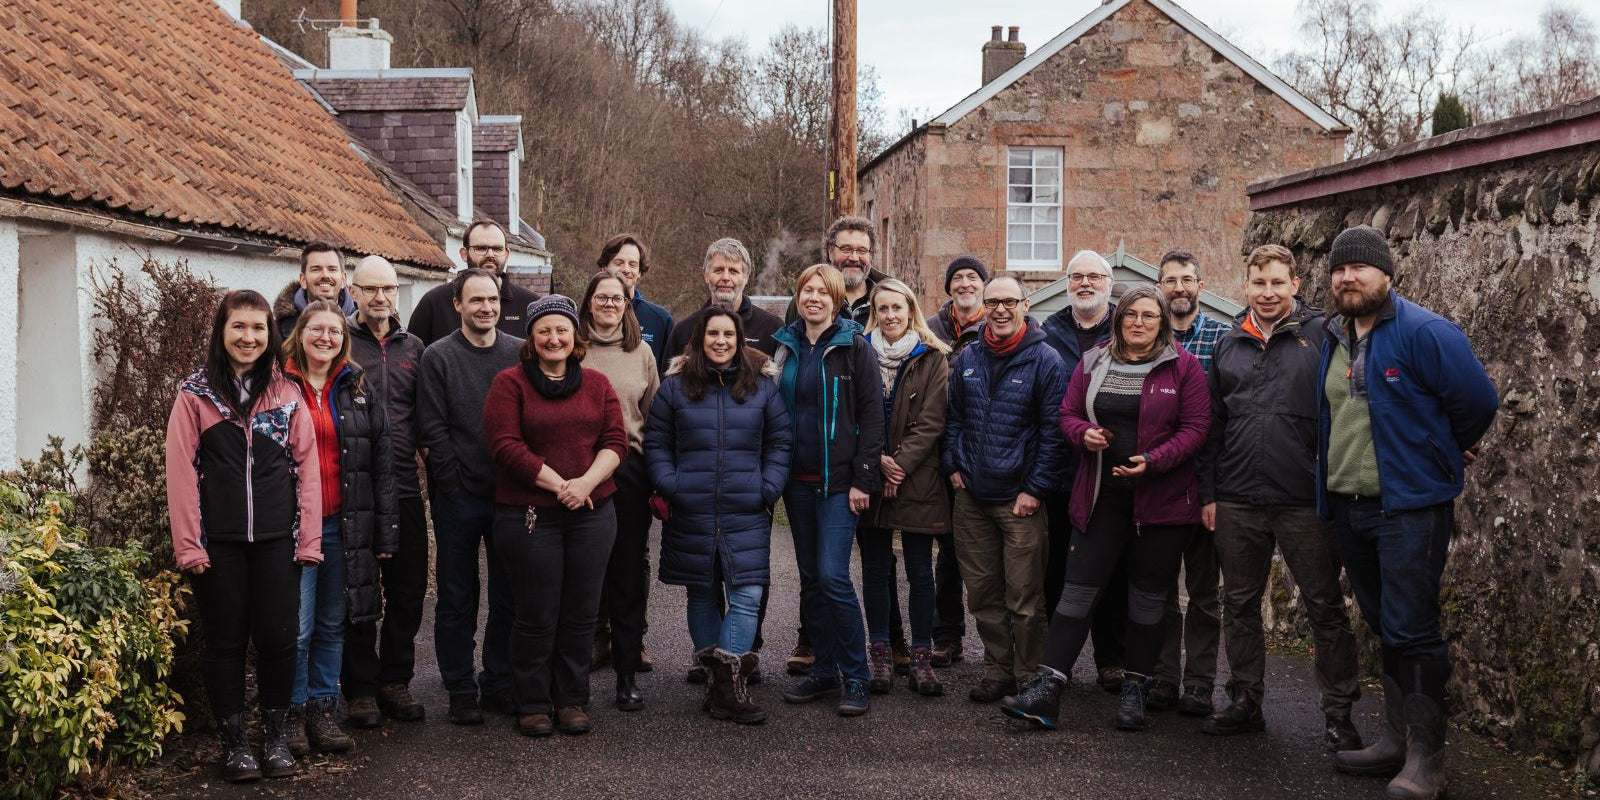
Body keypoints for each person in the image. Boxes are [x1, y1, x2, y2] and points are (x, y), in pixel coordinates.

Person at [1318, 227, 1498, 800]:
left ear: (1387, 274)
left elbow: (1478, 402)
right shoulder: (1333, 335)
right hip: (1349, 504)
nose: (1348, 278)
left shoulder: (1426, 331)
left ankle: (1427, 760)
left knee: (1413, 628)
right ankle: (1395, 741)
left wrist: (1439, 447)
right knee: (1381, 621)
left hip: (1410, 507)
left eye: (1360, 268)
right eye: (1339, 269)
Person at [1001, 285, 1209, 732]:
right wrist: (1084, 435)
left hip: (1162, 503)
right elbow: (1068, 414)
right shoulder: (1094, 361)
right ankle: (1047, 690)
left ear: (1162, 322)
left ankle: (1135, 691)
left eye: (1149, 316)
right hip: (1100, 497)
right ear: (1118, 319)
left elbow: (1196, 429)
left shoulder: (1184, 366)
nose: (1138, 322)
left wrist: (1153, 460)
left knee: (1147, 599)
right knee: (1076, 593)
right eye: (1131, 314)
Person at [1198, 245, 1363, 750]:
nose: (1267, 293)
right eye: (1258, 283)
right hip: (1238, 497)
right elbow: (1214, 426)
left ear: (1295, 284)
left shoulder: (1325, 335)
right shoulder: (1229, 344)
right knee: (1239, 603)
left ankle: (1339, 714)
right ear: (1245, 286)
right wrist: (1209, 494)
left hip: (1304, 498)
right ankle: (1245, 700)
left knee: (1324, 606)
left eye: (1276, 283)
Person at [166, 290, 321, 782]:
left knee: (279, 641)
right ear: (222, 331)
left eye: (258, 328)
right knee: (226, 642)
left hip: (278, 542)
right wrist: (190, 545)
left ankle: (274, 739)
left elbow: (307, 471)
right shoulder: (195, 395)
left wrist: (308, 541)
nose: (248, 337)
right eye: (239, 326)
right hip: (218, 545)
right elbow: (180, 472)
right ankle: (234, 745)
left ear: (270, 335)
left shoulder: (287, 394)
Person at [483, 295, 628, 737]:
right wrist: (561, 485)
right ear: (531, 338)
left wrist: (585, 484)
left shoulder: (597, 384)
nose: (553, 338)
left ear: (574, 335)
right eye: (544, 330)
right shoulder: (510, 384)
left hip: (592, 513)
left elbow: (615, 442)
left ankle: (571, 699)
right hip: (530, 515)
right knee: (536, 612)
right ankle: (531, 702)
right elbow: (505, 446)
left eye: (561, 329)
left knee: (581, 612)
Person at [646, 309, 792, 724]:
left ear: (739, 340)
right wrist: (670, 483)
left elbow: (780, 441)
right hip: (691, 506)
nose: (721, 341)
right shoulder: (674, 388)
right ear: (700, 338)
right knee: (701, 591)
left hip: (746, 507)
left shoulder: (762, 387)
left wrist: (768, 487)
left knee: (747, 593)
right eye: (713, 333)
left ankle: (726, 687)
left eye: (729, 334)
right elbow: (656, 442)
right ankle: (721, 685)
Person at [942, 273, 1069, 704]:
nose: (1000, 310)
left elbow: (1054, 433)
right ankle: (997, 670)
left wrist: (1035, 488)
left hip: (1020, 500)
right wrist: (953, 466)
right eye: (993, 301)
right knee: (982, 594)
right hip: (971, 498)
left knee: (1025, 598)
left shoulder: (1046, 360)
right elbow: (954, 418)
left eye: (1009, 302)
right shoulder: (969, 356)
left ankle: (1030, 676)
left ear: (1025, 306)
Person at [281, 301, 398, 755]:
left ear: (343, 339)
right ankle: (291, 715)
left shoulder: (357, 386)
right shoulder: (279, 385)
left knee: (333, 624)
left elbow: (382, 463)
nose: (325, 338)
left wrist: (384, 531)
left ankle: (323, 711)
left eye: (334, 331)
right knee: (297, 628)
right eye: (317, 329)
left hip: (343, 525)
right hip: (293, 527)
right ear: (300, 333)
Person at [772, 264, 884, 716]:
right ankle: (823, 671)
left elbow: (873, 418)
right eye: (807, 290)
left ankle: (856, 676)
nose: (814, 298)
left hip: (839, 485)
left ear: (837, 301)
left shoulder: (854, 347)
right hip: (796, 483)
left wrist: (863, 479)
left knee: (834, 576)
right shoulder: (786, 346)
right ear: (798, 297)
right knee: (812, 580)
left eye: (823, 292)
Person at [416, 268, 522, 725]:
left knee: (508, 594)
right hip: (458, 497)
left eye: (492, 300)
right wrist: (452, 482)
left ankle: (498, 680)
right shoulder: (438, 356)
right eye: (476, 300)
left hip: (511, 494)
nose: (486, 307)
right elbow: (432, 428)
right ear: (457, 304)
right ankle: (460, 686)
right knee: (457, 596)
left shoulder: (518, 353)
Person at [342, 256, 430, 728]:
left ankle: (395, 680)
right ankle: (360, 689)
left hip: (404, 487)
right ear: (353, 291)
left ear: (397, 292)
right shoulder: (340, 342)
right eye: (371, 289)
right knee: (358, 590)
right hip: (353, 488)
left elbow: (426, 417)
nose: (380, 297)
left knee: (408, 589)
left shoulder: (413, 347)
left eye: (388, 289)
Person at [1148, 249, 1231, 716]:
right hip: (1160, 484)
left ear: (1201, 285)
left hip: (1206, 486)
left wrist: (1215, 490)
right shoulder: (1147, 339)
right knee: (1160, 590)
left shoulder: (1224, 339)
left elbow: (1223, 419)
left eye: (1186, 280)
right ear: (1159, 287)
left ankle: (1199, 683)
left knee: (1203, 593)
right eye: (1170, 280)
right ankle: (1163, 677)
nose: (1178, 288)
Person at [858, 278, 951, 695]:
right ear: (874, 313)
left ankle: (921, 656)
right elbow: (857, 414)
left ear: (911, 310)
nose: (890, 315)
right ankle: (880, 652)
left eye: (897, 307)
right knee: (876, 569)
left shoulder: (932, 356)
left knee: (919, 570)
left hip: (919, 477)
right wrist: (878, 461)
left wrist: (900, 466)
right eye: (883, 308)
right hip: (870, 473)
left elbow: (933, 420)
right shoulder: (859, 352)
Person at [1038, 250, 1125, 693]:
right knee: (1056, 570)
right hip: (1058, 469)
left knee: (1110, 569)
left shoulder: (1125, 328)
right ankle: (1057, 664)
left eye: (1094, 276)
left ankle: (1112, 659)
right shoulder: (1047, 331)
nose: (1085, 283)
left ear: (1109, 283)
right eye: (1077, 276)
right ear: (1067, 283)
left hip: (1108, 470)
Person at [574, 270, 660, 711]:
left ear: (628, 305)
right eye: (601, 297)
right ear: (588, 302)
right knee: (581, 575)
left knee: (626, 573)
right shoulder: (571, 347)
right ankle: (574, 677)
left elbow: (653, 415)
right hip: (577, 471)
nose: (609, 304)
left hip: (627, 472)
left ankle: (626, 673)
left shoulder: (641, 352)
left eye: (618, 298)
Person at [922, 255, 990, 667]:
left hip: (982, 452)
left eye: (972, 277)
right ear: (948, 287)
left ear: (983, 285)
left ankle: (1000, 643)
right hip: (936, 453)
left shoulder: (997, 324)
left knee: (985, 554)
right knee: (946, 552)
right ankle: (947, 635)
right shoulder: (930, 328)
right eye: (957, 278)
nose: (965, 284)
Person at [409, 221, 541, 345]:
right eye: (481, 248)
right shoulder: (434, 302)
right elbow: (412, 354)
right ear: (464, 254)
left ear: (506, 254)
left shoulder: (531, 304)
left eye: (497, 249)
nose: (490, 255)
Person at [662, 238, 783, 360]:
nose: (725, 277)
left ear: (746, 277)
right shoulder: (684, 331)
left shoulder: (772, 329)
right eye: (718, 270)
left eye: (733, 271)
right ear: (706, 275)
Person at [596, 233, 675, 370]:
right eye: (619, 263)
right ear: (604, 267)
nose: (626, 270)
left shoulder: (661, 320)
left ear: (639, 272)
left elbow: (671, 374)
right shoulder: (588, 314)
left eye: (632, 265)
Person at [274, 242, 354, 339]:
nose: (325, 275)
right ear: (303, 280)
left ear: (344, 279)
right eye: (316, 269)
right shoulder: (278, 329)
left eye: (332, 269)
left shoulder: (362, 325)